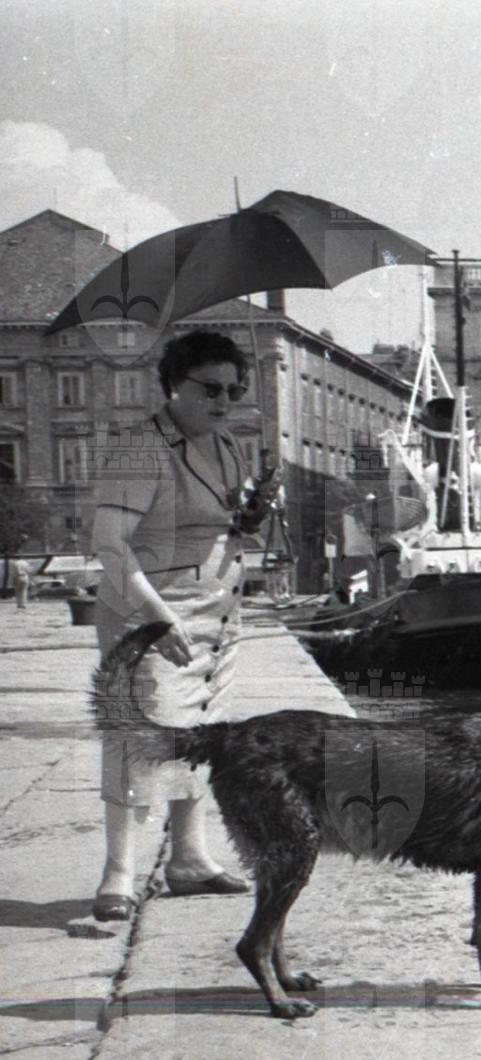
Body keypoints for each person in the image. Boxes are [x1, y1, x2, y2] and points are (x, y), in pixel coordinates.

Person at [89, 331, 264, 921]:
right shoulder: (140, 448)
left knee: (201, 732)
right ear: (173, 385)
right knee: (140, 734)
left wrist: (251, 511)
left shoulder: (227, 444)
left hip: (216, 615)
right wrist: (154, 618)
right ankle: (118, 873)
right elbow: (109, 544)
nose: (224, 401)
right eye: (210, 389)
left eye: (234, 390)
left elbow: (220, 517)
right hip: (152, 611)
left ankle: (189, 859)